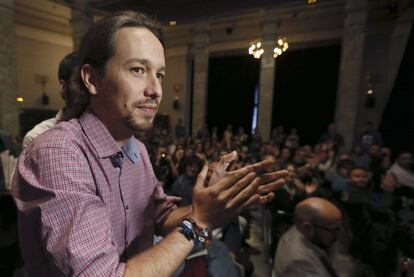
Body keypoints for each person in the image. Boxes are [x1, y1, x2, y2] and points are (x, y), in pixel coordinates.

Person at [12, 11, 287, 276]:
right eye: (137, 69)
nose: (155, 90)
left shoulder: (137, 149)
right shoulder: (59, 152)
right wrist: (198, 222)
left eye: (159, 75)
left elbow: (159, 216)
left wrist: (217, 203)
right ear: (92, 79)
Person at [22, 52, 80, 148]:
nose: (89, 89)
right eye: (80, 83)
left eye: (93, 81)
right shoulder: (38, 136)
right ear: (63, 87)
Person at [273, 197, 342, 277]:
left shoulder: (297, 230)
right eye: (333, 230)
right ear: (307, 227)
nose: (338, 235)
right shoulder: (300, 264)